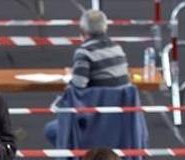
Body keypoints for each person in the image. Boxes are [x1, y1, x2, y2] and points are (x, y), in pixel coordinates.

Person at [45, 9, 132, 146]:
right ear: (105, 27)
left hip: (93, 124)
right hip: (120, 125)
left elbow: (77, 88)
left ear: (82, 30)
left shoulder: (84, 52)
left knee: (51, 130)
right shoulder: (118, 49)